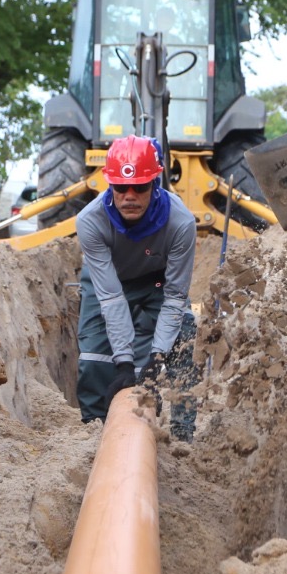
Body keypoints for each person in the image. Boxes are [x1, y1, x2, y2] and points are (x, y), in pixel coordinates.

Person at [73, 136, 197, 423]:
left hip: (158, 280)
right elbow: (111, 297)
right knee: (94, 362)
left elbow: (175, 297)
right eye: (120, 187)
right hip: (108, 279)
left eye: (139, 186)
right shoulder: (90, 221)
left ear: (155, 184)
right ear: (110, 185)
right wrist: (125, 363)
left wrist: (156, 358)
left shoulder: (180, 223)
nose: (129, 195)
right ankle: (95, 431)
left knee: (184, 349)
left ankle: (181, 439)